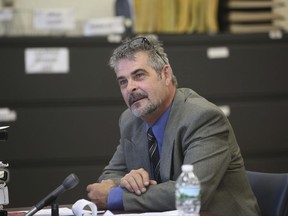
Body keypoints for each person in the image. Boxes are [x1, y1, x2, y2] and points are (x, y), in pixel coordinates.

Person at [86, 35, 261, 215]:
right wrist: (125, 181)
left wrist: (116, 196)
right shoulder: (130, 120)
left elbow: (191, 195)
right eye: (123, 81)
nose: (130, 87)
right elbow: (108, 178)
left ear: (166, 74)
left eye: (139, 75)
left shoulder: (203, 118)